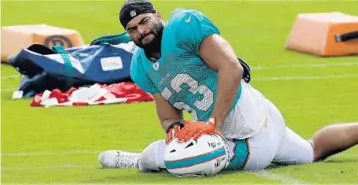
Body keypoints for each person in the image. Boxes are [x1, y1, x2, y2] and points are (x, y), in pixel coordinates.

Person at [98, 0, 358, 173]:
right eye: (132, 29)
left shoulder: (182, 26)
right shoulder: (140, 66)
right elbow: (167, 116)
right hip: (253, 122)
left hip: (243, 126)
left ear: (157, 15)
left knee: (185, 164)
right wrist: (175, 129)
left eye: (144, 21)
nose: (141, 31)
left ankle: (140, 161)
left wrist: (214, 124)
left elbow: (232, 68)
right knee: (312, 152)